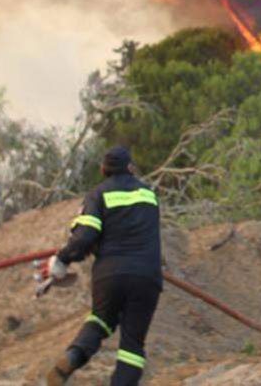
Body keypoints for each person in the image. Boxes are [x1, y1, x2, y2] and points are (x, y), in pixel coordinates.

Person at [45, 146, 162, 386]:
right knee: (132, 345)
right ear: (130, 168)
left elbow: (86, 236)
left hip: (110, 274)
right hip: (146, 275)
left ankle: (73, 356)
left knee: (100, 320)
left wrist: (62, 259)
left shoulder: (98, 194)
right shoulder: (150, 195)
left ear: (103, 170)